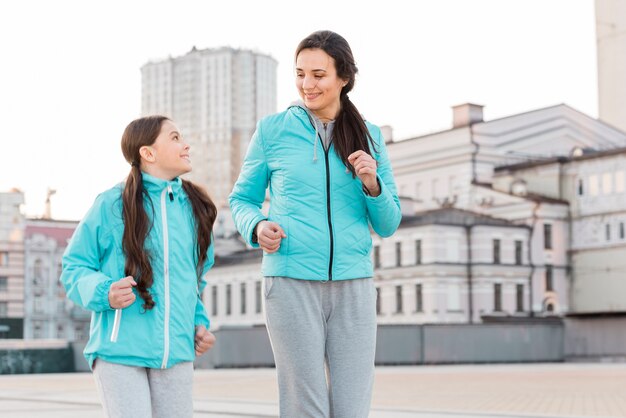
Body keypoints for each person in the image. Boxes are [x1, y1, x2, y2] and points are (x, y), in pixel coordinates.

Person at [229, 30, 402, 417]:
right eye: (300, 74)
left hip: (353, 284)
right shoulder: (272, 131)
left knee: (352, 406)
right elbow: (241, 199)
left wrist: (372, 184)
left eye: (319, 75)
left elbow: (389, 223)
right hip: (290, 281)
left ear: (344, 77)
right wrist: (256, 226)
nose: (307, 84)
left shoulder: (369, 137)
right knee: (304, 404)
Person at [61, 115, 217, 418]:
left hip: (177, 354)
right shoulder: (111, 204)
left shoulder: (198, 208)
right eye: (174, 137)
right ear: (148, 153)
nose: (186, 145)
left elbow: (195, 279)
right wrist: (105, 291)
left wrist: (200, 324)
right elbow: (73, 266)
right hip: (120, 353)